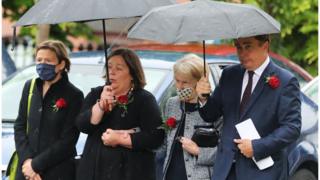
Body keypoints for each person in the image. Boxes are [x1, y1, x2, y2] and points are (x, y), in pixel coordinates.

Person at [196, 34, 301, 180]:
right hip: (225, 169)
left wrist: (257, 147)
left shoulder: (285, 81)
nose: (242, 53)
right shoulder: (229, 74)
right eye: (238, 47)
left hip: (262, 172)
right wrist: (203, 98)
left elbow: (291, 128)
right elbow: (211, 115)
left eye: (248, 46)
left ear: (265, 45)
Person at [76, 48, 165, 180]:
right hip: (94, 170)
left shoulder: (144, 99)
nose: (112, 72)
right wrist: (100, 106)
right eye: (109, 67)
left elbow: (156, 137)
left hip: (130, 172)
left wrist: (120, 139)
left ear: (132, 74)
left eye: (119, 68)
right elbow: (82, 125)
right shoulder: (96, 94)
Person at [14, 40, 84, 180]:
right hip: (26, 171)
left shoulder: (74, 95)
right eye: (39, 60)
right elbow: (20, 126)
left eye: (48, 60)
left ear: (61, 64)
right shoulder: (30, 87)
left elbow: (68, 140)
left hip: (57, 171)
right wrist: (28, 162)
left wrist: (36, 165)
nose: (42, 64)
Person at [161, 54, 220, 180]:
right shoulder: (172, 103)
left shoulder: (215, 109)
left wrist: (198, 151)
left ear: (199, 82)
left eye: (185, 82)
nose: (180, 87)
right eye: (177, 80)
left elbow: (226, 152)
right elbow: (165, 143)